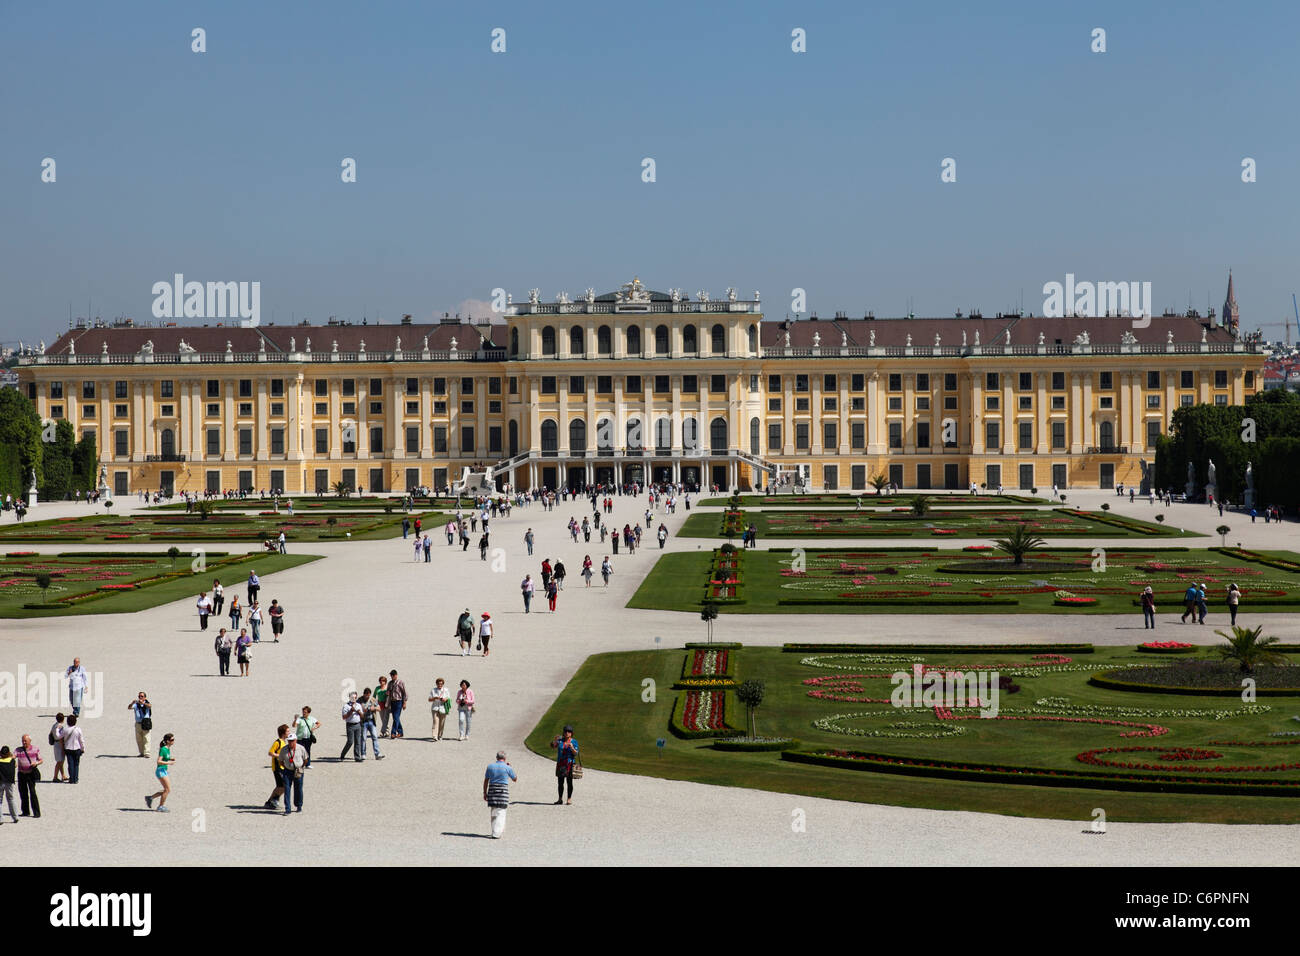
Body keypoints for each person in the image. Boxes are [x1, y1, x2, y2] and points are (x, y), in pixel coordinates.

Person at [483, 750, 517, 838]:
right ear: (505, 758)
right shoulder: (507, 767)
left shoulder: (490, 766)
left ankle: (494, 831)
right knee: (501, 812)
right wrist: (510, 767)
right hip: (502, 792)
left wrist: (484, 792)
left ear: (496, 757)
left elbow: (486, 780)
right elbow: (515, 779)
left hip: (492, 790)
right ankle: (497, 833)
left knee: (494, 811)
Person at [551, 725, 580, 805]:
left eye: (569, 731)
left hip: (570, 764)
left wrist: (572, 748)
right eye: (566, 731)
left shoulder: (574, 742)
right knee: (560, 782)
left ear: (571, 733)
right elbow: (552, 746)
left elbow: (576, 753)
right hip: (560, 764)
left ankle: (569, 799)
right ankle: (560, 799)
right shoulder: (560, 740)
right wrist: (555, 741)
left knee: (569, 782)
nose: (567, 733)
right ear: (563, 732)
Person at [145, 733, 175, 812]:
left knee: (166, 789)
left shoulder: (167, 749)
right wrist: (168, 763)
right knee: (167, 789)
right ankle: (160, 807)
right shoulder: (163, 749)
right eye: (172, 740)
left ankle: (150, 798)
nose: (173, 741)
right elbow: (158, 761)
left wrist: (170, 759)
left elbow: (165, 758)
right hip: (160, 770)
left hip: (164, 770)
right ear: (167, 741)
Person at [277, 733, 305, 814]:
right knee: (287, 789)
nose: (290, 742)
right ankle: (287, 809)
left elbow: (305, 758)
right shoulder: (284, 749)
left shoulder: (301, 748)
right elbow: (281, 761)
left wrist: (301, 767)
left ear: (295, 740)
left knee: (298, 788)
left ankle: (299, 806)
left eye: (292, 741)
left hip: (298, 771)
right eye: (289, 741)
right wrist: (285, 768)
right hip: (287, 771)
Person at [15, 736, 41, 817]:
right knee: (23, 793)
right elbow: (13, 756)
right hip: (21, 774)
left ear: (30, 741)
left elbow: (41, 760)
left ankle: (36, 812)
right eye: (23, 741)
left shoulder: (35, 749)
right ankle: (25, 811)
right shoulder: (18, 750)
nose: (24, 742)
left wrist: (36, 763)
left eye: (25, 741)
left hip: (30, 774)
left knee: (32, 792)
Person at [265, 724, 289, 809]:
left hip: (283, 767)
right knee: (282, 786)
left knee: (282, 785)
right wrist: (280, 755)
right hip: (277, 768)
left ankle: (272, 801)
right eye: (287, 731)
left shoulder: (284, 742)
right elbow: (270, 753)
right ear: (283, 733)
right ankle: (272, 800)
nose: (289, 733)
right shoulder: (277, 742)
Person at [358, 688, 384, 758]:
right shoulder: (359, 700)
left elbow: (379, 708)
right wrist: (362, 710)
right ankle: (363, 754)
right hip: (364, 722)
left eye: (368, 696)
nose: (367, 697)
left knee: (375, 737)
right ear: (364, 694)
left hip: (372, 721)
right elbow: (356, 708)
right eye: (366, 696)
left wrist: (374, 708)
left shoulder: (373, 700)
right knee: (363, 738)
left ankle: (377, 753)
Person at [340, 692, 364, 761]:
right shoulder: (346, 706)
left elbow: (362, 716)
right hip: (350, 725)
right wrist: (351, 711)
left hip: (358, 724)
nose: (353, 699)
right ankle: (343, 754)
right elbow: (344, 717)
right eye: (352, 698)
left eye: (355, 697)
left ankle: (357, 757)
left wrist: (359, 712)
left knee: (358, 741)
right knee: (350, 741)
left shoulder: (358, 705)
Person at [129, 691, 152, 757]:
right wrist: (132, 703)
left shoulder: (147, 703)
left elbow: (150, 706)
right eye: (139, 696)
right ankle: (141, 752)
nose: (140, 697)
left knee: (146, 738)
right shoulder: (136, 704)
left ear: (145, 697)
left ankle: (147, 753)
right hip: (138, 723)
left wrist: (143, 703)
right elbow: (129, 707)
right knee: (139, 739)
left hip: (145, 723)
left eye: (141, 696)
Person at [0, 746, 18, 825]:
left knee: (0, 801)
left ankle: (0, 819)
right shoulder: (12, 761)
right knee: (11, 799)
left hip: (0, 782)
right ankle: (15, 816)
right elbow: (15, 765)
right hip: (10, 782)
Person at [387, 670, 407, 738]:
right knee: (396, 717)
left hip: (399, 701)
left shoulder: (400, 682)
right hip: (392, 702)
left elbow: (404, 693)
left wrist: (404, 703)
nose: (392, 676)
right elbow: (388, 691)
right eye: (391, 675)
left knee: (395, 717)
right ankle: (400, 732)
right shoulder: (390, 683)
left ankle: (393, 733)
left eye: (393, 675)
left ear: (396, 675)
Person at [49, 713, 66, 782]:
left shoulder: (54, 725)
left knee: (61, 761)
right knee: (59, 761)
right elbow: (60, 737)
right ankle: (55, 777)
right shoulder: (60, 726)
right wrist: (63, 748)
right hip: (59, 744)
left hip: (56, 744)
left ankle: (63, 775)